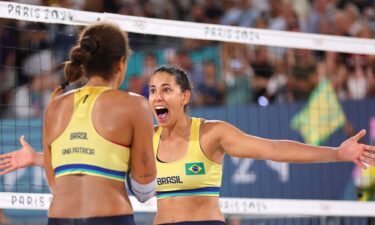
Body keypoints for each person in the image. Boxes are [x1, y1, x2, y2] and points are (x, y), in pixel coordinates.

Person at [1, 65, 375, 225]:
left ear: (185, 97)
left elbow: (274, 149)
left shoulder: (211, 133)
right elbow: (93, 164)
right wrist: (37, 158)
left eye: (166, 89)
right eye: (151, 90)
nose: (156, 96)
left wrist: (337, 153)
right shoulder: (144, 140)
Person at [0, 21, 157, 225]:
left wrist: (39, 158)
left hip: (59, 219)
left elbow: (55, 185)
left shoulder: (54, 105)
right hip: (109, 218)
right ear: (121, 63)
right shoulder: (136, 105)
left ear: (85, 62)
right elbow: (144, 190)